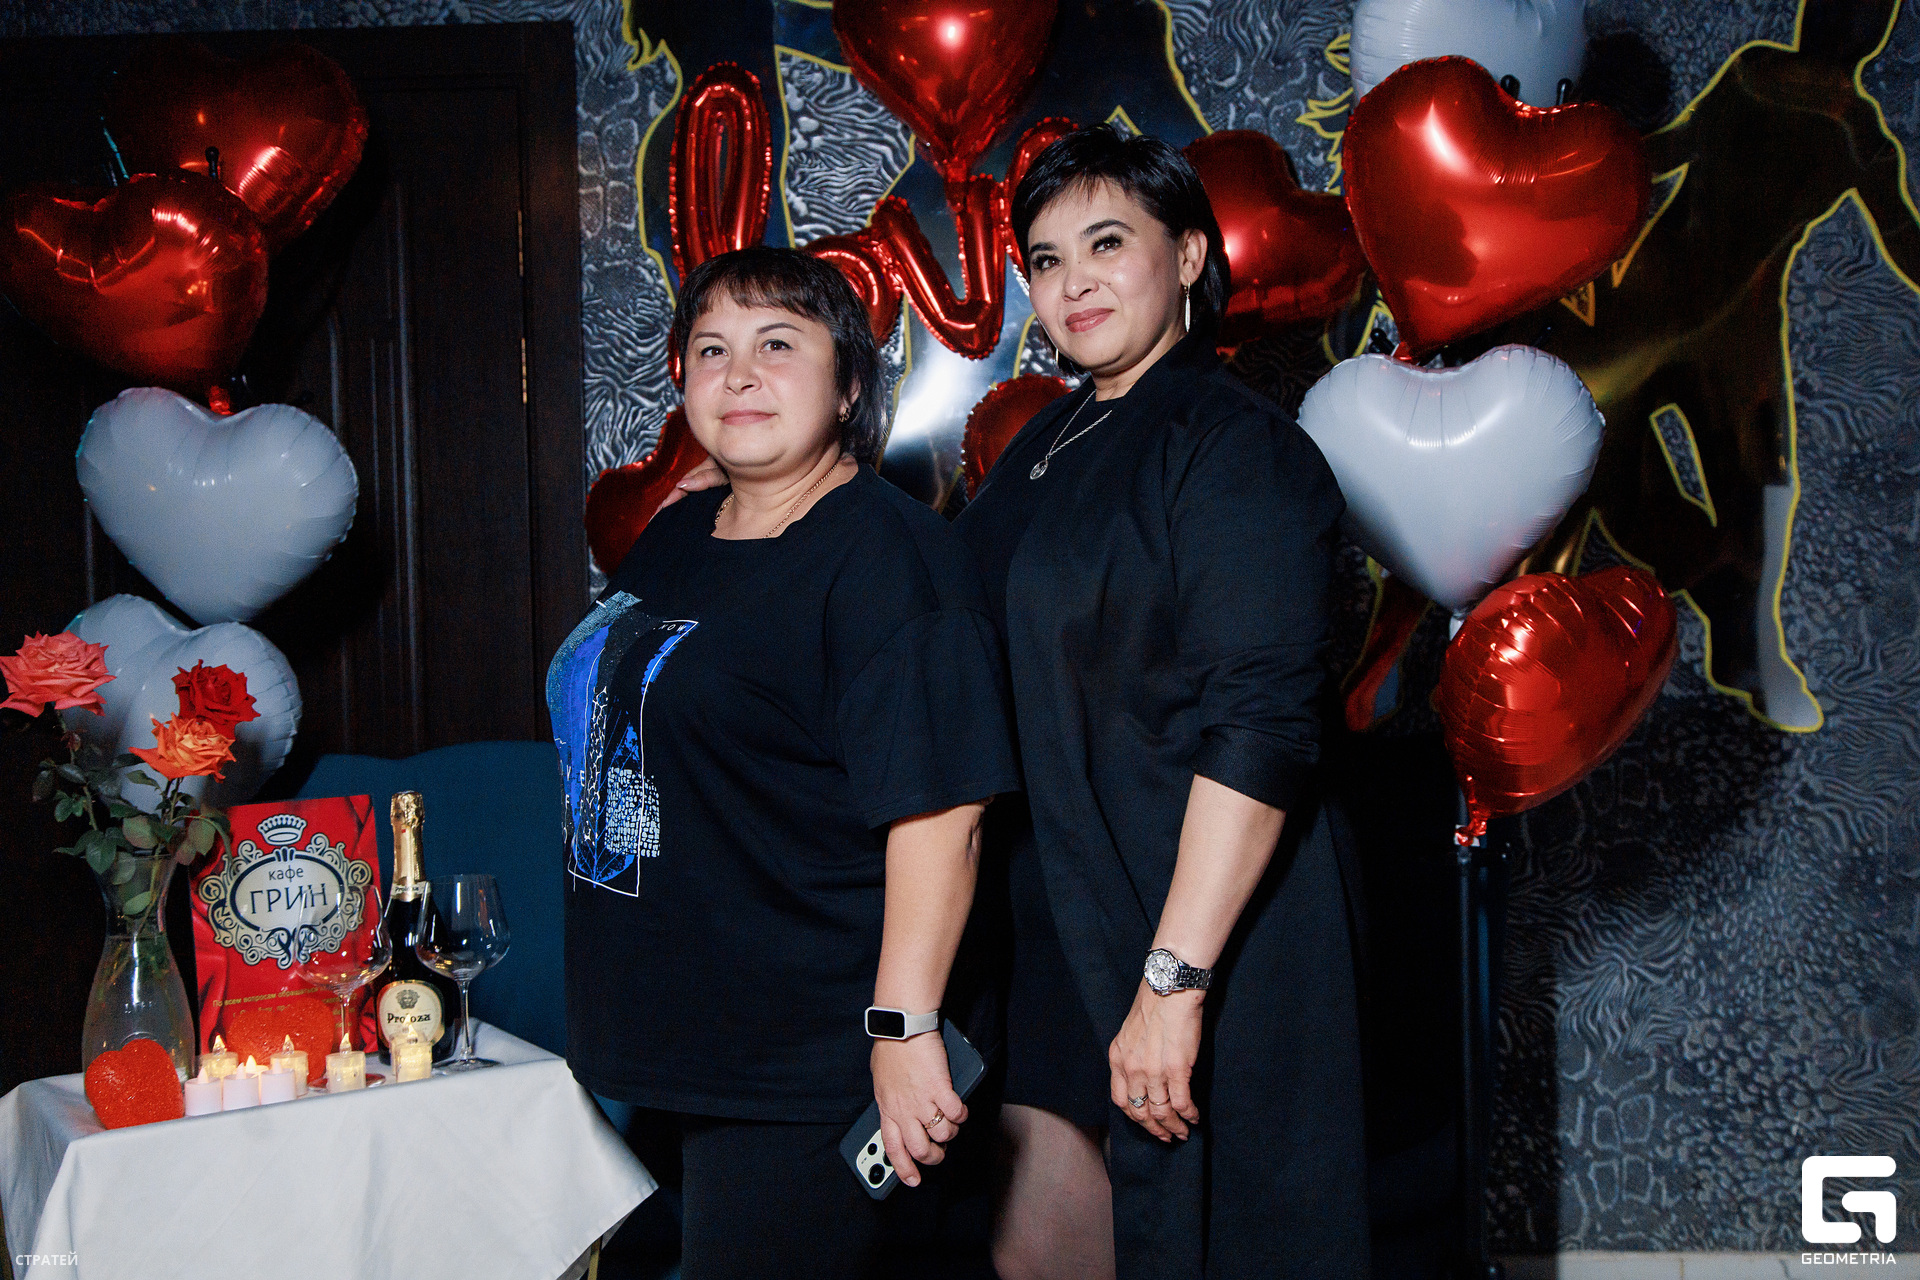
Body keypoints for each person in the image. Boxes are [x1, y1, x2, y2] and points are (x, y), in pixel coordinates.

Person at [547, 247, 1021, 1280]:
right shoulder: (685, 529)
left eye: (777, 345)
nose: (740, 375)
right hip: (677, 1039)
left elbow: (945, 816)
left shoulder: (891, 560)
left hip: (809, 1058)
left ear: (848, 385)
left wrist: (904, 1028)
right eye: (711, 350)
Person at [955, 124, 1370, 1279]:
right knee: (1037, 1247)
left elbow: (1263, 726)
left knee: (1209, 1239)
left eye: (1106, 242)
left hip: (1195, 923)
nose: (1073, 281)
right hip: (1055, 916)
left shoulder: (1234, 445)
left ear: (1187, 255)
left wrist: (1173, 983)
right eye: (1046, 259)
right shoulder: (1048, 439)